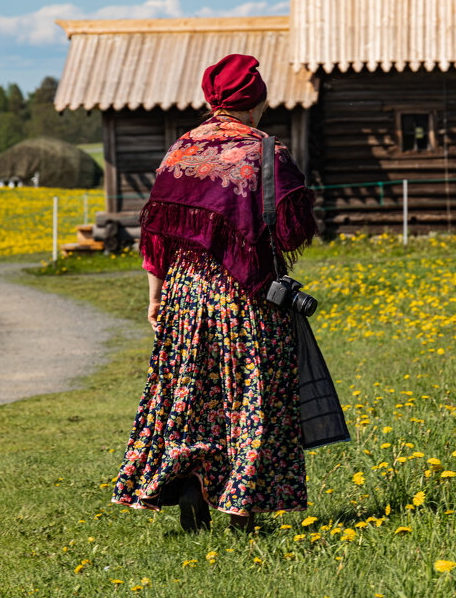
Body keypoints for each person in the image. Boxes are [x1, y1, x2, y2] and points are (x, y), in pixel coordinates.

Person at [111, 53, 318, 532]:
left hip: (184, 294)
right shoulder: (267, 152)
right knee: (250, 394)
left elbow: (157, 237)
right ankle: (242, 508)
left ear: (213, 99)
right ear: (258, 101)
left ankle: (189, 481)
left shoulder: (181, 150)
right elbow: (292, 229)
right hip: (245, 299)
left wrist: (155, 297)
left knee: (189, 394)